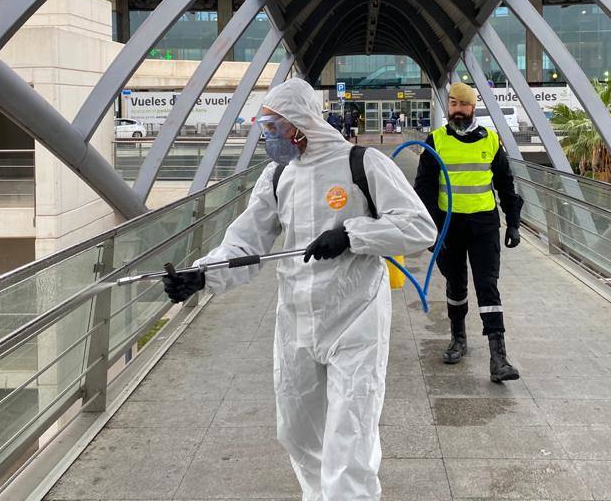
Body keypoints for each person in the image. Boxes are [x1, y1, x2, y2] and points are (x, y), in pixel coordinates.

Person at [163, 79, 436, 500]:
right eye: (264, 128)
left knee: (351, 434)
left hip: (356, 316)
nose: (267, 137)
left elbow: (419, 227)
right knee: (297, 431)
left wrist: (352, 235)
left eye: (272, 127)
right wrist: (202, 275)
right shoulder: (277, 177)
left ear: (299, 125)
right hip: (296, 320)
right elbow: (245, 243)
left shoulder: (362, 164)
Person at [413, 82, 524, 383]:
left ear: (473, 107)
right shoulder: (435, 141)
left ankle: (498, 356)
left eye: (463, 105)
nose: (457, 111)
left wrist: (513, 221)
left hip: (484, 224)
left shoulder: (490, 139)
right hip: (449, 226)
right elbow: (422, 189)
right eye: (452, 104)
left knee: (487, 286)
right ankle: (458, 338)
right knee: (457, 284)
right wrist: (431, 229)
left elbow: (505, 183)